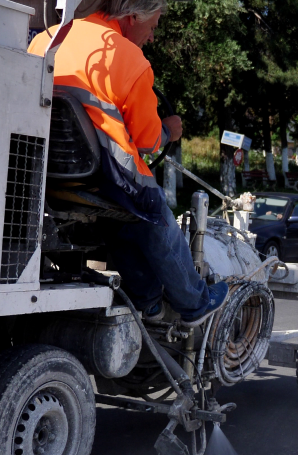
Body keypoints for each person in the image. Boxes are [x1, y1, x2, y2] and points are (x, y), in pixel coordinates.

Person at [28, 0, 226, 325]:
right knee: (153, 213)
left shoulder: (46, 40)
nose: (152, 37)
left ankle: (147, 301)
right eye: (154, 26)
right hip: (103, 176)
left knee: (121, 217)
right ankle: (194, 302)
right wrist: (169, 131)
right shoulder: (130, 60)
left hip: (47, 173)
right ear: (134, 17)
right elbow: (147, 140)